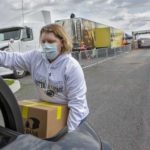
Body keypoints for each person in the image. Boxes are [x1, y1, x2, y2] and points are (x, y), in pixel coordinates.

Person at [0, 24, 89, 132]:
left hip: (74, 117)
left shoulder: (71, 67)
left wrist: (69, 133)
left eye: (51, 41)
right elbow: (13, 59)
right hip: (50, 113)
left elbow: (77, 104)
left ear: (62, 42)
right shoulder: (36, 57)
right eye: (43, 41)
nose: (46, 45)